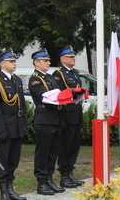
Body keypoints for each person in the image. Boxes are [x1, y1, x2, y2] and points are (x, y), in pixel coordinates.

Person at [0, 49, 27, 200]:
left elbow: (22, 104)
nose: (14, 63)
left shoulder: (16, 80)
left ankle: (11, 190)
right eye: (11, 61)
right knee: (2, 160)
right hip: (5, 125)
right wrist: (0, 128)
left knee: (13, 160)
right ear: (2, 64)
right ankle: (4, 192)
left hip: (17, 125)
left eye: (14, 61)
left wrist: (24, 123)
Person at [28, 48, 65, 195]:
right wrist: (62, 96)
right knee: (43, 152)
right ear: (36, 63)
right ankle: (41, 182)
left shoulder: (50, 77)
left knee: (53, 151)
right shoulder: (35, 78)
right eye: (45, 60)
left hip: (55, 118)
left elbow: (59, 93)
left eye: (49, 60)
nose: (48, 63)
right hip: (44, 119)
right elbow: (45, 95)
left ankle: (49, 179)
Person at [52, 46, 86, 188]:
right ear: (63, 59)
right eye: (70, 57)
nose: (74, 58)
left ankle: (70, 172)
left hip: (76, 113)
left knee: (74, 145)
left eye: (74, 56)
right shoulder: (58, 73)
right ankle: (64, 175)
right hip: (66, 113)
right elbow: (59, 94)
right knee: (65, 145)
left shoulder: (75, 73)